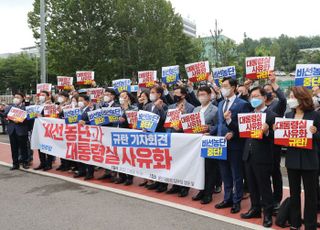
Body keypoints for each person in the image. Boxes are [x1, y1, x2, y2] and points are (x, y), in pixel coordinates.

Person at [278, 86, 319, 230]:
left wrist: (315, 133)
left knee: (310, 195)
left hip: (309, 161)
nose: (291, 100)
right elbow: (283, 138)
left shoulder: (314, 115)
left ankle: (310, 225)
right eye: (290, 96)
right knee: (294, 193)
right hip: (292, 160)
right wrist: (278, 131)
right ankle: (295, 223)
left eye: (293, 97)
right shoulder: (288, 115)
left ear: (301, 98)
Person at [210, 77, 251, 214]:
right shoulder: (221, 103)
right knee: (224, 173)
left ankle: (236, 200)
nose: (223, 88)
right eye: (222, 86)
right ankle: (227, 198)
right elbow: (220, 124)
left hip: (235, 145)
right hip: (220, 143)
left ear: (233, 87)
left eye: (226, 86)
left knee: (236, 174)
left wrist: (234, 133)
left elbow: (244, 127)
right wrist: (210, 133)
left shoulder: (242, 104)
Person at [240, 86, 276, 228]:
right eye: (252, 96)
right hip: (248, 155)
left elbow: (276, 138)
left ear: (264, 98)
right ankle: (255, 208)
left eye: (257, 96)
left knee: (264, 186)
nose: (253, 99)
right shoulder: (249, 115)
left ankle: (267, 213)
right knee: (252, 185)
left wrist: (267, 132)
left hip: (263, 157)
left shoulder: (271, 115)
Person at [192, 86, 220, 204]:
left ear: (209, 95)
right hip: (197, 143)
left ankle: (208, 193)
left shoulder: (215, 109)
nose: (201, 97)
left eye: (204, 94)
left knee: (210, 168)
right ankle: (201, 190)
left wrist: (209, 128)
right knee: (200, 168)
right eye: (200, 94)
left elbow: (219, 126)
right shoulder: (195, 109)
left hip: (210, 142)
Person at [165, 85, 195, 197]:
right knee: (175, 162)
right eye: (174, 93)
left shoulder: (191, 107)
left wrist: (183, 116)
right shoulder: (171, 106)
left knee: (184, 163)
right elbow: (167, 121)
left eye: (177, 93)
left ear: (183, 95)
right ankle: (175, 185)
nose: (174, 95)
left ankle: (184, 187)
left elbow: (190, 125)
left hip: (184, 139)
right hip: (172, 138)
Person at [263, 73, 287, 211]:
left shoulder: (277, 105)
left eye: (270, 90)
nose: (267, 92)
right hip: (260, 144)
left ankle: (277, 198)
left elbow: (283, 99)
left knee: (275, 171)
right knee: (263, 172)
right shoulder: (257, 106)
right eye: (265, 90)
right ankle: (265, 198)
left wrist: (274, 82)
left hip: (273, 144)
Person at [143, 85, 168, 193]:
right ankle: (156, 182)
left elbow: (164, 119)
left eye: (153, 92)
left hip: (159, 135)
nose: (151, 94)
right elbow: (144, 118)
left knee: (160, 160)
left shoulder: (164, 105)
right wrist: (143, 126)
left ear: (159, 94)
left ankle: (163, 184)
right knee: (153, 160)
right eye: (150, 92)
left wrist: (159, 108)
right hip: (149, 136)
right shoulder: (148, 106)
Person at [4, 93, 29, 170]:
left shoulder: (26, 107)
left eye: (18, 97)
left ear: (22, 98)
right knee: (14, 148)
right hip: (12, 130)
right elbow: (5, 114)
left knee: (23, 147)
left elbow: (29, 118)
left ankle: (25, 162)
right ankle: (15, 164)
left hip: (22, 129)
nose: (16, 99)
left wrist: (21, 120)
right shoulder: (10, 107)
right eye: (15, 97)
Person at [74, 94, 95, 180]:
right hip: (78, 135)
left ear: (87, 101)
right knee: (79, 153)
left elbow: (94, 122)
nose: (79, 102)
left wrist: (85, 123)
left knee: (87, 154)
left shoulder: (90, 110)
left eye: (81, 100)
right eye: (78, 100)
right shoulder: (77, 110)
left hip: (87, 135)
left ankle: (90, 172)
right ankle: (81, 170)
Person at [33, 91, 54, 171]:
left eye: (43, 95)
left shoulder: (50, 105)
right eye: (40, 95)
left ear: (48, 96)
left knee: (48, 146)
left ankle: (49, 163)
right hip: (38, 128)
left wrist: (42, 116)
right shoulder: (38, 105)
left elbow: (52, 116)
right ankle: (42, 163)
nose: (41, 96)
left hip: (47, 129)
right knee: (40, 146)